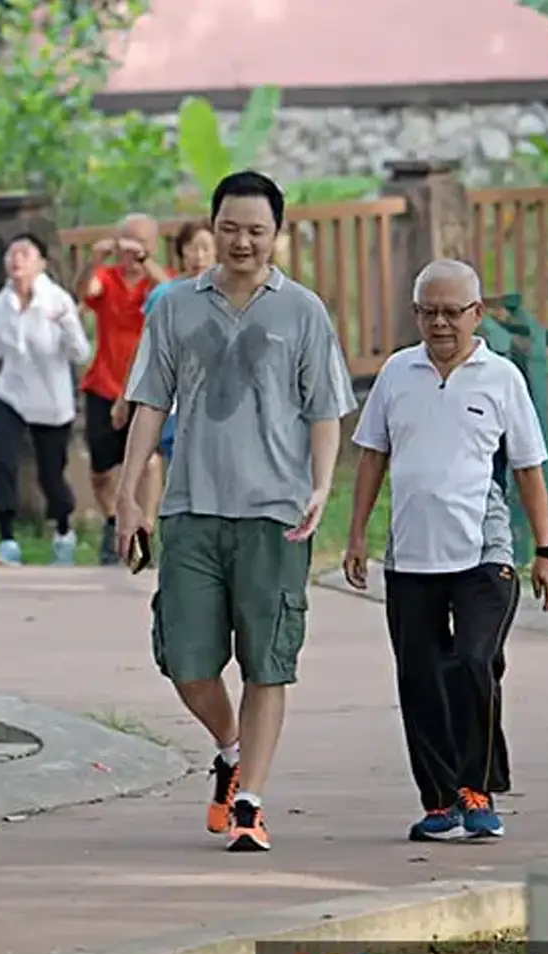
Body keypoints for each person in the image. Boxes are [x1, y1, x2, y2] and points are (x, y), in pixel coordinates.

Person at [116, 171, 357, 852]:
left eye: (256, 230)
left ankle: (250, 798)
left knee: (266, 662)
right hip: (192, 507)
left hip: (275, 513)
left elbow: (325, 410)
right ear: (210, 228)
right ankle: (230, 749)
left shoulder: (303, 311)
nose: (242, 241)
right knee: (186, 660)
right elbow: (149, 403)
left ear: (276, 234)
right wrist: (131, 495)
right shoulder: (176, 307)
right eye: (230, 228)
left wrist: (319, 487)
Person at [341, 258, 548, 843]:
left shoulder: (502, 378)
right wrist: (357, 534)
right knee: (419, 676)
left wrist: (546, 550)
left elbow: (528, 467)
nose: (440, 324)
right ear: (416, 314)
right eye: (428, 312)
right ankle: (439, 801)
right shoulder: (397, 373)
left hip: (483, 551)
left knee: (472, 661)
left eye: (452, 312)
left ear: (477, 314)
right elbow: (371, 456)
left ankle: (477, 788)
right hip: (411, 551)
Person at [0, 234, 91, 566]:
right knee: (3, 463)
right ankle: (7, 540)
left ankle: (64, 533)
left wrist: (67, 324)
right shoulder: (2, 302)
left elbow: (80, 352)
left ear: (41, 262)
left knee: (51, 475)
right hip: (10, 393)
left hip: (51, 402)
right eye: (11, 254)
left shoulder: (57, 301)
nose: (16, 260)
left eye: (24, 254)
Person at [75, 212, 172, 564]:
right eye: (125, 240)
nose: (130, 250)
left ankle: (146, 528)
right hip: (103, 383)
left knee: (148, 459)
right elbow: (86, 291)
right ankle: (115, 522)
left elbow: (172, 293)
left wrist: (147, 263)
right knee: (101, 469)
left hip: (144, 385)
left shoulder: (157, 286)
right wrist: (95, 259)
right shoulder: (108, 277)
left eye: (139, 242)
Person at [139, 220, 216, 463]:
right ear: (181, 251)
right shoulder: (165, 296)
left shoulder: (231, 295)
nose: (199, 256)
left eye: (205, 248)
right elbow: (146, 348)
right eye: (192, 248)